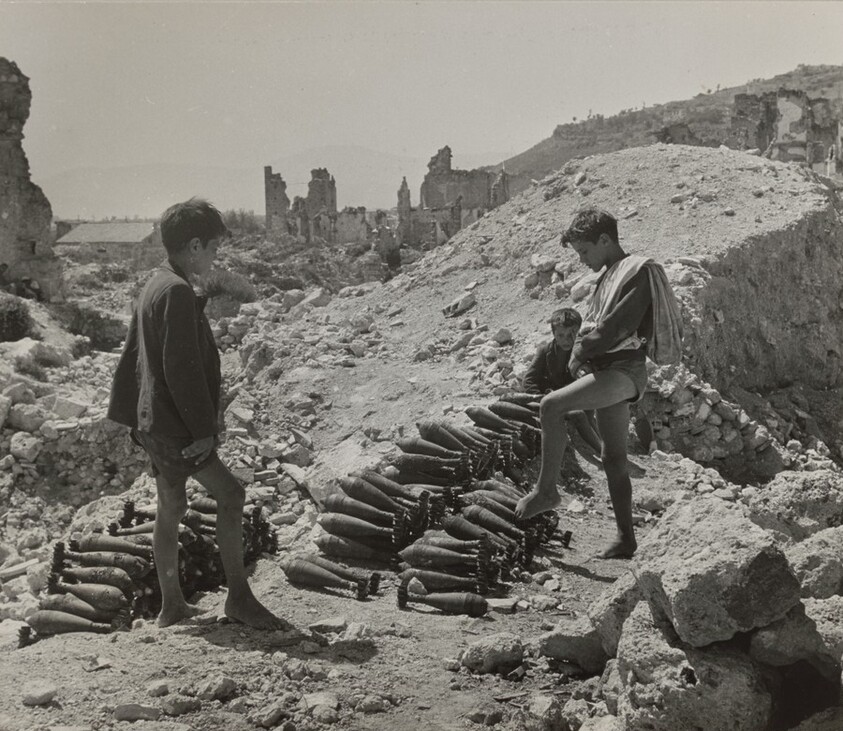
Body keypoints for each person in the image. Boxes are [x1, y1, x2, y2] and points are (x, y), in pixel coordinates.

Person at [108, 198, 285, 629]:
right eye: (212, 248)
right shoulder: (178, 292)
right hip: (175, 425)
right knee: (231, 495)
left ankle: (171, 606)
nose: (215, 256)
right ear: (192, 246)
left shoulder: (156, 283)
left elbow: (136, 356)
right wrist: (203, 430)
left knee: (171, 505)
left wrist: (137, 415)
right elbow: (180, 370)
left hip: (153, 420)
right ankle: (239, 598)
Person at [515, 208, 682, 559]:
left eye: (585, 251)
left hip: (622, 371)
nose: (583, 260)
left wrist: (578, 354)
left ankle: (546, 491)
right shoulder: (609, 276)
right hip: (609, 370)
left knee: (551, 406)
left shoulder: (635, 272)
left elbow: (616, 327)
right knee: (613, 456)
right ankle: (626, 539)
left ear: (605, 240)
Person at [523, 307, 602, 454]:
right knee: (577, 415)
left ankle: (603, 448)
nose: (566, 340)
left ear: (578, 332)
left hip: (577, 399)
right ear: (553, 334)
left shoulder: (585, 352)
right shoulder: (545, 351)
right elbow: (529, 381)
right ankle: (602, 451)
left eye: (571, 334)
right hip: (551, 399)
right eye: (560, 335)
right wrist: (543, 399)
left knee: (586, 415)